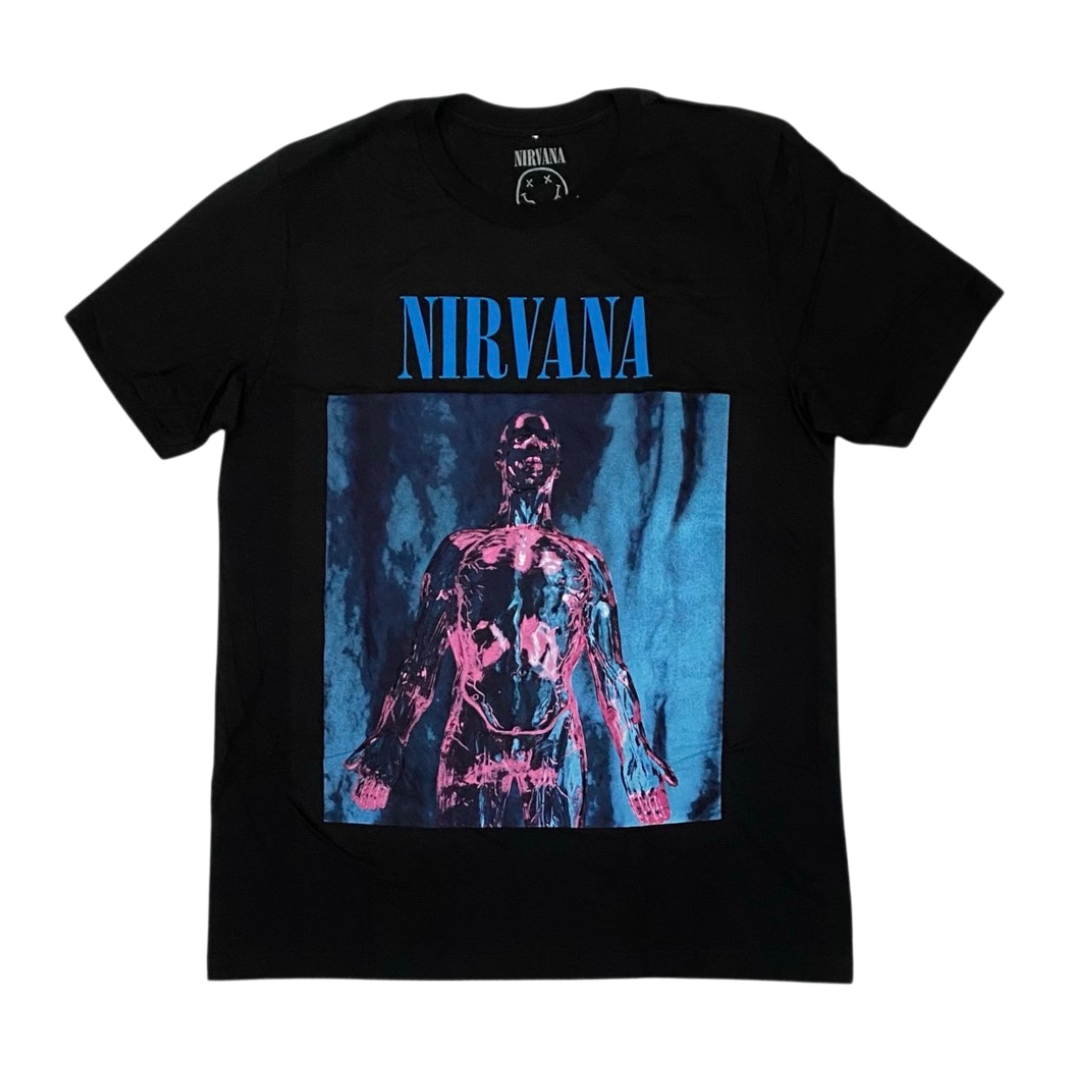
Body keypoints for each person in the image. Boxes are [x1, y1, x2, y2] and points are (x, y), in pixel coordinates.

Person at [345, 410, 677, 827]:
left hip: (554, 736)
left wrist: (635, 756)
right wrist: (390, 739)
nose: (532, 449)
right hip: (474, 731)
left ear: (556, 461)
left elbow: (610, 670)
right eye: (522, 441)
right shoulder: (460, 551)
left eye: (542, 443)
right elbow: (422, 660)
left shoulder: (584, 561)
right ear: (501, 458)